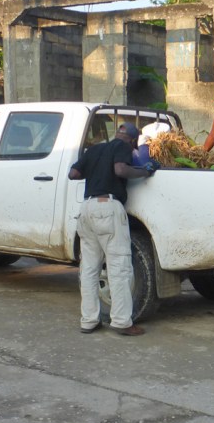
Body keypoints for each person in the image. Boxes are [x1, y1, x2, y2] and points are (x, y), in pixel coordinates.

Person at [68, 122, 159, 337]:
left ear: (117, 133)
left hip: (87, 209)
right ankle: (121, 322)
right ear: (132, 140)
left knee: (89, 269)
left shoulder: (95, 149)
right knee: (119, 267)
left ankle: (89, 321)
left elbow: (73, 174)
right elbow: (120, 169)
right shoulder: (123, 147)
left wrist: (95, 170)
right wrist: (142, 171)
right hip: (107, 208)